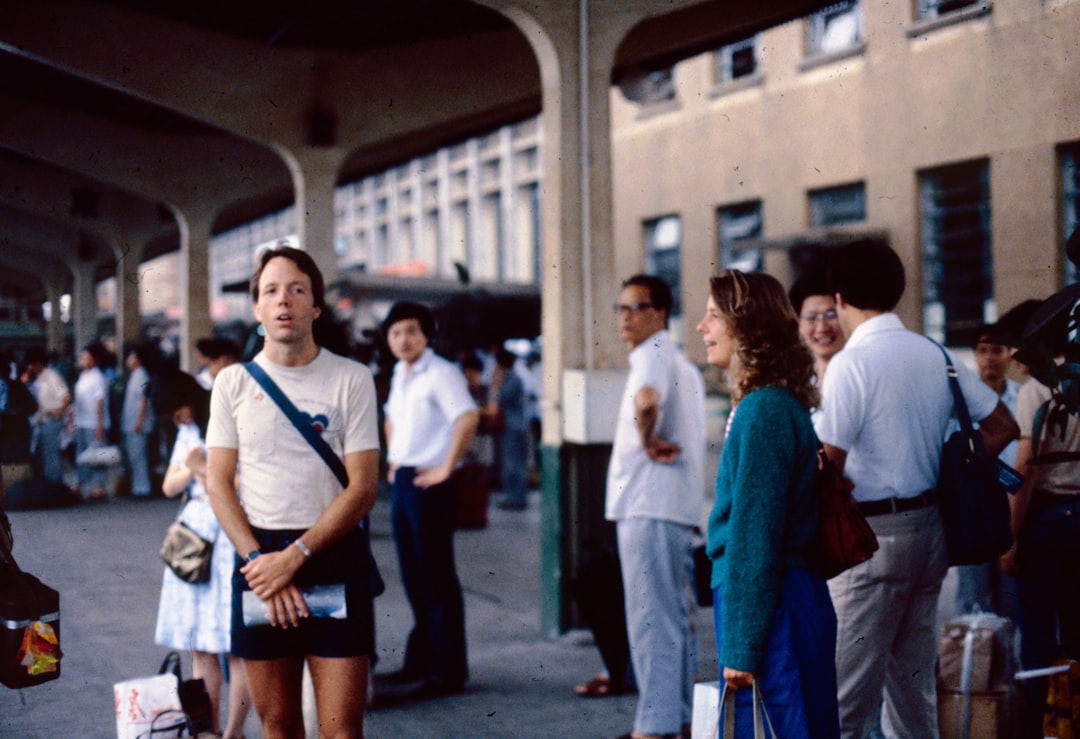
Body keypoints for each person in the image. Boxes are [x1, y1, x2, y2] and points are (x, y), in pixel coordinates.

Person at [815, 239, 1018, 738]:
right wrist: (957, 467)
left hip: (870, 541)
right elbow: (1003, 426)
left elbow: (829, 465)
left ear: (840, 298)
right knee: (912, 695)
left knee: (845, 699)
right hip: (931, 532)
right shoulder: (935, 355)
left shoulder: (851, 364)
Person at [206, 245, 381, 738]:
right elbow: (218, 483)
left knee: (341, 729)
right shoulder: (232, 384)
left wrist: (296, 556)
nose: (284, 300)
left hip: (332, 557)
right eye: (271, 291)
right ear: (257, 310)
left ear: (316, 307)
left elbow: (363, 487)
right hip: (259, 564)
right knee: (278, 726)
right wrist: (264, 561)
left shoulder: (351, 379)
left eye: (297, 290)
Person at [697, 269, 838, 738]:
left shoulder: (763, 411)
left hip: (775, 604)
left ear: (747, 328)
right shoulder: (768, 404)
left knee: (779, 724)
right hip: (778, 598)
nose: (702, 327)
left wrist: (740, 646)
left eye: (714, 316)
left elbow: (754, 537)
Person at [606, 274, 705, 739]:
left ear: (660, 313)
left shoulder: (651, 356)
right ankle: (681, 718)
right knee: (674, 618)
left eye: (636, 307)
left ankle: (654, 726)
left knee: (650, 619)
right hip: (673, 507)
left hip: (648, 504)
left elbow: (646, 402)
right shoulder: (677, 359)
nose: (625, 316)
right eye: (620, 308)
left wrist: (646, 438)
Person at [381, 300, 478, 699]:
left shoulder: (441, 373)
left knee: (436, 578)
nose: (403, 339)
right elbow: (390, 418)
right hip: (404, 480)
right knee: (414, 577)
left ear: (426, 335)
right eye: (396, 332)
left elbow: (467, 417)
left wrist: (446, 468)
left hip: (431, 483)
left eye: (411, 331)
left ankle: (447, 671)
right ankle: (420, 663)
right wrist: (393, 460)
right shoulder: (400, 374)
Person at [154, 370, 251, 738]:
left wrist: (200, 469)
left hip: (228, 532)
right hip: (196, 534)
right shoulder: (189, 431)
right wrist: (193, 471)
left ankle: (233, 731)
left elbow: (243, 485)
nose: (179, 421)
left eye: (178, 412)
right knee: (201, 645)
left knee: (235, 645)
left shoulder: (228, 420)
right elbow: (168, 485)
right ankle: (206, 729)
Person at [1000, 347, 1080, 737]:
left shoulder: (1038, 388)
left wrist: (1010, 536)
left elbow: (1026, 468)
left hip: (1046, 517)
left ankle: (1039, 727)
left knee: (1037, 630)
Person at [955, 324, 1024, 616]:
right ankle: (974, 661)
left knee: (1012, 598)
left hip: (1013, 502)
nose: (989, 358)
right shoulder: (960, 402)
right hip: (974, 507)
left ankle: (1010, 662)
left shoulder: (1022, 398)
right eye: (982, 351)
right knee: (974, 599)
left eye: (997, 350)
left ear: (1009, 355)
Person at [788, 266, 846, 387]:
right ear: (799, 325)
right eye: (811, 317)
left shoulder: (861, 374)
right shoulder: (794, 383)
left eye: (831, 315)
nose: (822, 328)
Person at [72, 341, 113, 502]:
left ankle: (99, 488)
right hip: (82, 422)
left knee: (97, 456)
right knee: (82, 456)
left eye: (87, 358)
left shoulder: (98, 377)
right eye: (82, 357)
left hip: (94, 423)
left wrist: (99, 424)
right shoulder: (83, 376)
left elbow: (100, 402)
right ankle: (80, 484)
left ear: (95, 360)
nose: (84, 360)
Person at [23, 348, 70, 485]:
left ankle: (54, 485)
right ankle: (50, 484)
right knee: (44, 454)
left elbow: (66, 396)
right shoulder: (39, 378)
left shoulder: (52, 376)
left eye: (30, 364)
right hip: (42, 420)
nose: (28, 367)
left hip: (51, 420)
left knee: (51, 455)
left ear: (37, 363)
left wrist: (59, 411)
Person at [491, 348, 529, 511]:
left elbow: (501, 399)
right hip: (510, 425)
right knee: (509, 462)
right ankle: (512, 495)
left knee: (513, 463)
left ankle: (516, 497)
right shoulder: (511, 378)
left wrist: (496, 385)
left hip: (512, 426)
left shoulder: (512, 379)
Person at [121, 344, 154, 498]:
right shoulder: (135, 375)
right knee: (135, 457)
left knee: (139, 457)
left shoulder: (141, 375)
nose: (128, 360)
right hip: (132, 423)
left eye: (131, 357)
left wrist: (139, 421)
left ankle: (142, 489)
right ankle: (138, 487)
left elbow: (143, 400)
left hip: (138, 424)